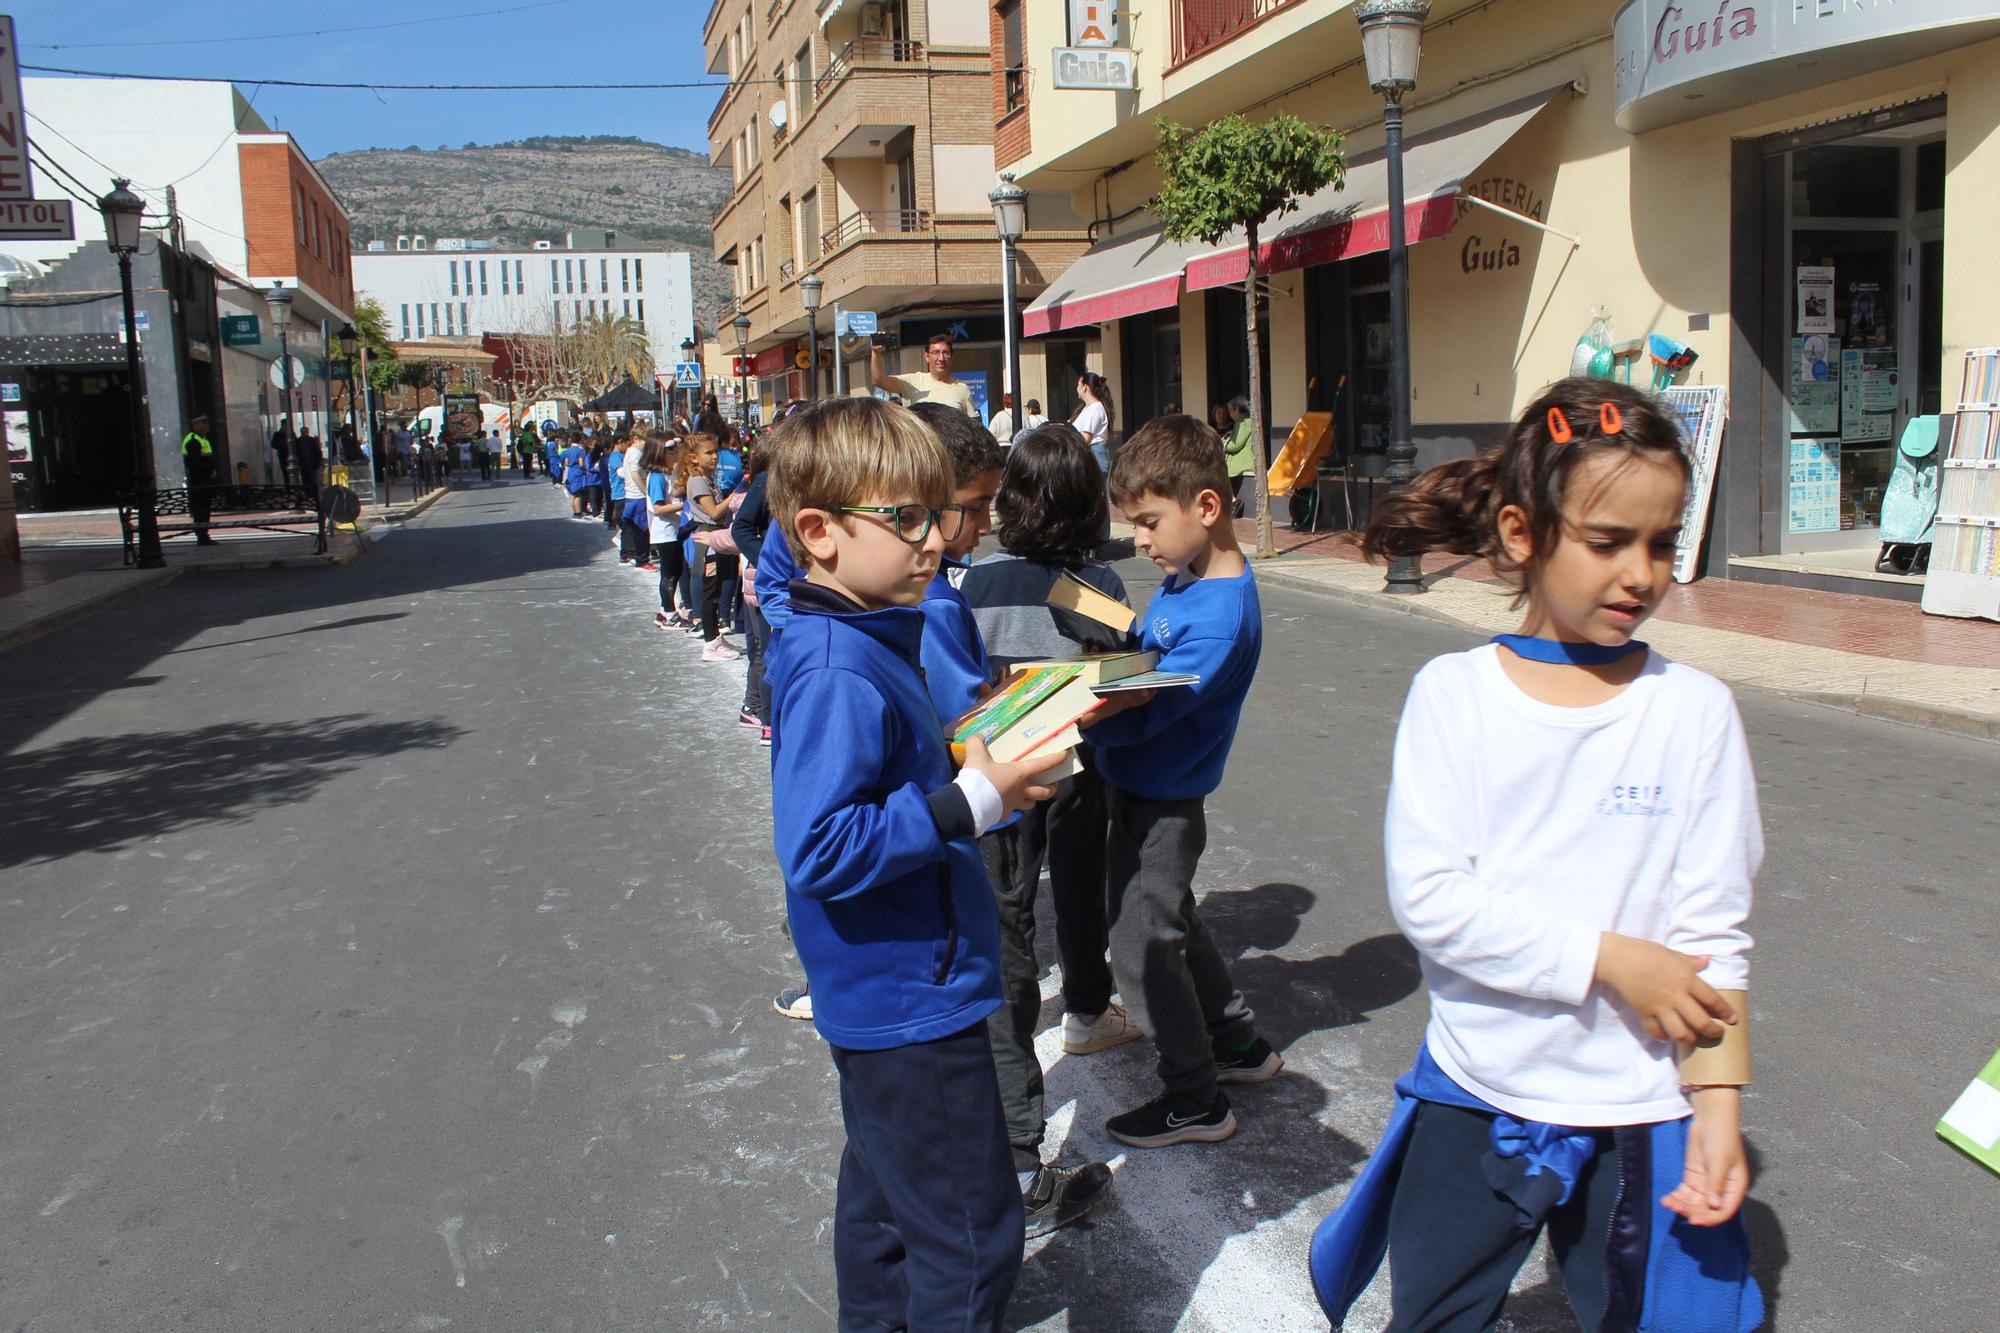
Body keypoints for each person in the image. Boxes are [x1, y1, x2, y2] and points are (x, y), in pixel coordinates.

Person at [1311, 378, 1763, 1331]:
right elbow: (1433, 900)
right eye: (1607, 542)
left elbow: (1715, 927)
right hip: (1480, 1089)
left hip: (1642, 1107)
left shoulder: (1695, 712)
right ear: (1522, 533)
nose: (1641, 573)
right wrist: (1610, 958)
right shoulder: (1456, 695)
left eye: (1663, 543)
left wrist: (1716, 1105)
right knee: (1433, 1313)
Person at [765, 397, 1058, 1331]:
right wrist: (974, 801)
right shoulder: (840, 667)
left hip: (891, 990)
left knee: (886, 1211)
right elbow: (821, 844)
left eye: (940, 513)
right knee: (973, 1240)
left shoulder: (858, 636)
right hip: (909, 999)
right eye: (908, 518)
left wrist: (982, 768)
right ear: (819, 532)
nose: (936, 539)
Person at [1080, 413, 1279, 1149]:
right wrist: (1097, 614)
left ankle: (1194, 1094)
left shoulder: (1220, 618)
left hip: (1161, 795)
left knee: (1140, 940)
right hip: (1147, 787)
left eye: (1149, 521)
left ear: (1207, 507)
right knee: (1176, 919)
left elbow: (1151, 713)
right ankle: (1236, 1044)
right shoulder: (1186, 578)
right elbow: (1145, 644)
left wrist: (1074, 713)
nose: (1140, 539)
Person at [680, 433, 741, 662]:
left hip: (716, 536)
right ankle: (710, 641)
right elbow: (714, 512)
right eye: (709, 452)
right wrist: (734, 496)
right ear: (694, 458)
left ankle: (716, 636)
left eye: (715, 451)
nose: (715, 457)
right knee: (709, 591)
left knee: (718, 589)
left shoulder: (708, 478)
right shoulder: (697, 481)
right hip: (708, 541)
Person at [871, 333, 978, 418]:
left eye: (945, 353)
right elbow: (879, 380)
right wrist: (876, 353)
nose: (941, 358)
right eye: (936, 352)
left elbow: (973, 427)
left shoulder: (962, 388)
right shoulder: (913, 382)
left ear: (951, 357)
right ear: (927, 357)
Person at [181, 413, 219, 545]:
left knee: (204, 509)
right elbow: (194, 463)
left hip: (204, 481)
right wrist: (209, 470)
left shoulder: (202, 439)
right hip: (198, 482)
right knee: (201, 509)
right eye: (203, 423)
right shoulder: (193, 440)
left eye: (207, 423)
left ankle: (204, 535)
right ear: (195, 425)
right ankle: (201, 536)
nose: (206, 426)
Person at [1072, 373, 1114, 477]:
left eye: (1078, 385)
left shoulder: (1095, 408)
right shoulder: (1086, 408)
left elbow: (1085, 437)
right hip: (1091, 455)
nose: (1077, 389)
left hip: (1094, 456)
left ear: (1085, 387)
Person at [1224, 396, 1255, 518]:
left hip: (1242, 459)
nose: (1229, 414)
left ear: (1237, 410)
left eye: (1231, 410)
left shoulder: (1244, 423)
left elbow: (1236, 444)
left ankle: (1233, 501)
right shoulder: (1241, 423)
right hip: (1238, 457)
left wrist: (1222, 443)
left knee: (1221, 468)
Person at [561, 433, 590, 518]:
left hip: (570, 472)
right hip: (578, 472)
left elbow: (566, 463)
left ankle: (574, 512)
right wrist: (585, 469)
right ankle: (578, 512)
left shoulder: (568, 450)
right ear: (580, 440)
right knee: (578, 494)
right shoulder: (580, 450)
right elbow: (581, 463)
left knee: (572, 494)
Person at [294, 428, 323, 502]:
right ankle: (308, 493)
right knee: (306, 479)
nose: (304, 433)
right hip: (304, 463)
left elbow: (317, 451)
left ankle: (312, 494)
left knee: (311, 479)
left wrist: (319, 460)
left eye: (305, 432)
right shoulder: (298, 441)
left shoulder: (311, 440)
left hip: (311, 463)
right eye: (303, 432)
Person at [270, 421, 295, 486]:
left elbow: (295, 443)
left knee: (293, 473)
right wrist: (281, 444)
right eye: (284, 425)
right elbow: (273, 445)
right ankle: (288, 488)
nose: (285, 427)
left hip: (292, 456)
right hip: (283, 457)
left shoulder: (291, 433)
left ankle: (293, 487)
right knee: (285, 473)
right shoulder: (277, 434)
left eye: (286, 425)